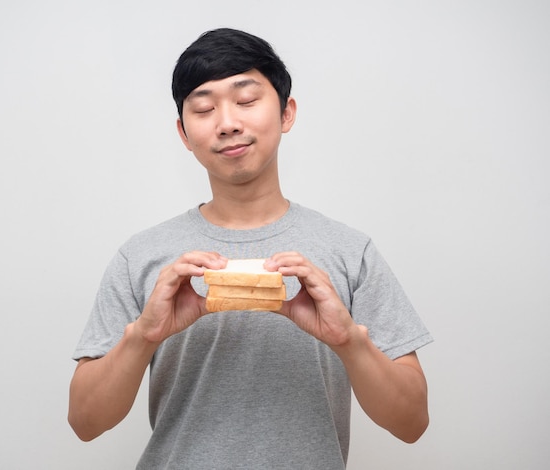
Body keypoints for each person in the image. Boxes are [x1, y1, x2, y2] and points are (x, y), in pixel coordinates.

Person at [68, 28, 433, 469]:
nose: (227, 123)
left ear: (286, 112)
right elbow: (85, 421)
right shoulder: (141, 255)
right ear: (184, 133)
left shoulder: (349, 251)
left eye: (246, 101)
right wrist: (145, 335)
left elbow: (412, 422)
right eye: (204, 109)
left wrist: (348, 342)